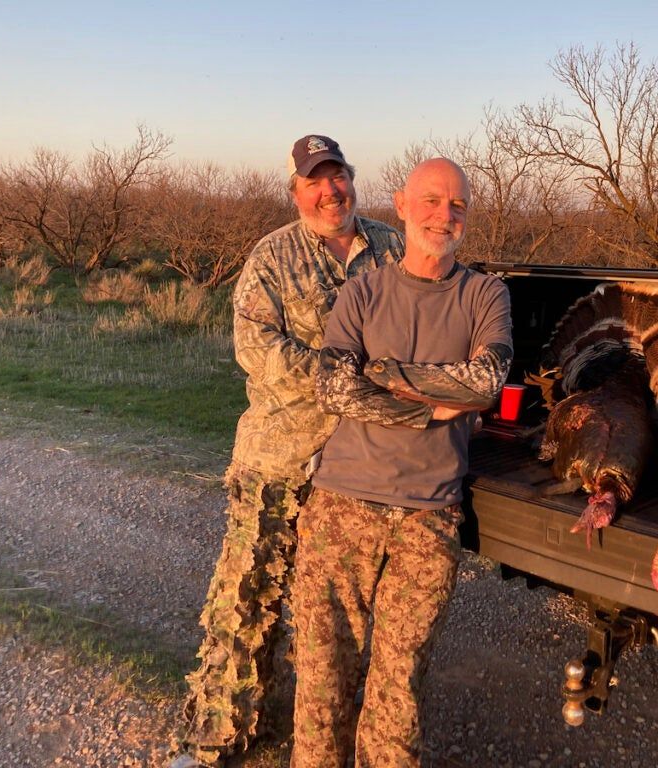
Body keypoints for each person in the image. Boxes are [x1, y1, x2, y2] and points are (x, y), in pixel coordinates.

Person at [170, 135, 404, 768]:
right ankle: (216, 737)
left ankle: (326, 736)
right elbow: (258, 351)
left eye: (339, 177)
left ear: (354, 180)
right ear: (296, 191)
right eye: (315, 181)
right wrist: (345, 379)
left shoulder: (390, 248)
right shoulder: (270, 258)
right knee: (246, 601)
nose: (330, 191)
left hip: (360, 466)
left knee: (333, 615)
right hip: (280, 458)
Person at [290, 158, 514, 768]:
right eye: (433, 201)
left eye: (458, 206)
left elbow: (486, 380)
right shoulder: (363, 291)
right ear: (402, 204)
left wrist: (385, 376)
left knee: (397, 694)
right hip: (341, 504)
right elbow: (334, 389)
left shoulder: (486, 294)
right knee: (321, 685)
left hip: (427, 518)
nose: (445, 216)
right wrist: (428, 411)